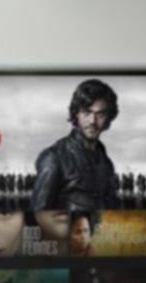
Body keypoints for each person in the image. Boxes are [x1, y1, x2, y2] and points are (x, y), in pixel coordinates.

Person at [31, 78, 120, 212]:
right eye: (86, 112)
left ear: (108, 117)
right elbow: (37, 219)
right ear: (76, 114)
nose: (92, 121)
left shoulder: (106, 164)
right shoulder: (54, 158)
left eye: (100, 114)